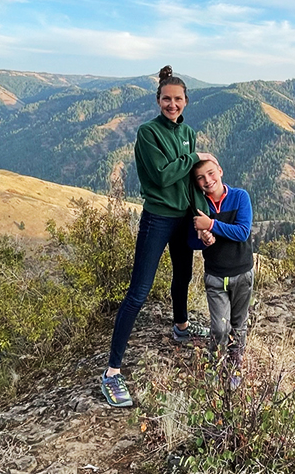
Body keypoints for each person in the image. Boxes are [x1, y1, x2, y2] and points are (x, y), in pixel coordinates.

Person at [101, 65, 216, 408]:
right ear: (158, 100)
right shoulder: (148, 133)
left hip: (183, 218)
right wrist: (196, 156)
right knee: (138, 291)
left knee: (183, 275)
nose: (172, 104)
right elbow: (165, 176)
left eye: (178, 99)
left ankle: (180, 326)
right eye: (167, 99)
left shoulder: (188, 132)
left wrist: (202, 215)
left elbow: (190, 180)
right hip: (158, 218)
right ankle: (111, 372)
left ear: (186, 101)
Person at [187, 158, 254, 386]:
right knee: (219, 327)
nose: (208, 180)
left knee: (239, 324)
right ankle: (215, 365)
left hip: (242, 273)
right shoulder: (199, 207)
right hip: (215, 275)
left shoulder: (240, 197)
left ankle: (235, 368)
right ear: (197, 183)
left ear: (220, 171)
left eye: (211, 173)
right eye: (201, 178)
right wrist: (204, 238)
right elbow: (193, 241)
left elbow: (242, 232)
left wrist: (212, 225)